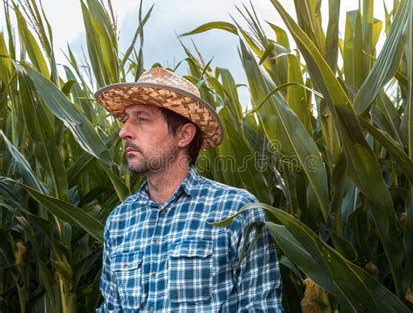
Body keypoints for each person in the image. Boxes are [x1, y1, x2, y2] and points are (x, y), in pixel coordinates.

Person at [94, 67, 283, 312]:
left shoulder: (236, 211)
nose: (124, 132)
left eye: (141, 119)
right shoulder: (119, 221)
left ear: (184, 135)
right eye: (125, 120)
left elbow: (262, 307)